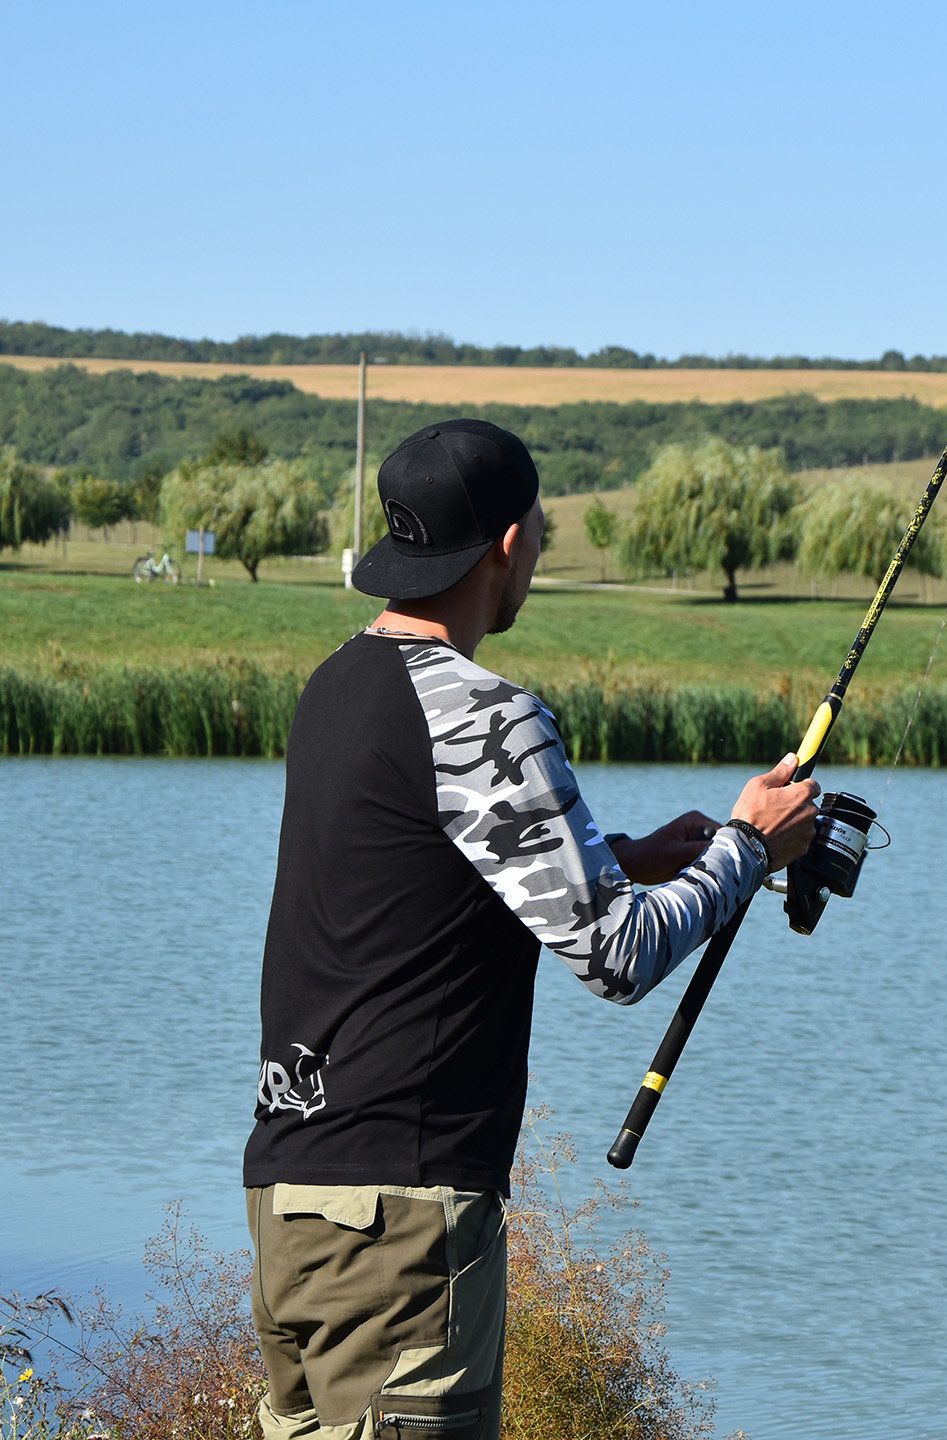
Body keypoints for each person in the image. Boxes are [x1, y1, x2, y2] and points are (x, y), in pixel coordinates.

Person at [241, 418, 818, 1439]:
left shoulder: (335, 687)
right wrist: (746, 848)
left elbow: (413, 884)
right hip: (402, 1227)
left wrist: (624, 861)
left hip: (292, 1199)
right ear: (508, 543)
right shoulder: (486, 712)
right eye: (540, 532)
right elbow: (618, 956)